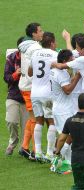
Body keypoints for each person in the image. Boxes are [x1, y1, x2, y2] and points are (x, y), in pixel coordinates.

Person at [28, 32, 58, 161]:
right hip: (48, 94)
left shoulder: (35, 54)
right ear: (51, 43)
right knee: (52, 122)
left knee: (39, 120)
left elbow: (29, 72)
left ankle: (38, 152)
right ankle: (50, 153)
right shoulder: (54, 55)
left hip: (35, 93)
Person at [50, 49, 81, 164]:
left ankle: (66, 159)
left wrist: (74, 77)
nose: (73, 60)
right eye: (71, 59)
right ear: (64, 60)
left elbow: (66, 84)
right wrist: (77, 76)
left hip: (60, 107)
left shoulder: (55, 70)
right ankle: (58, 158)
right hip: (63, 110)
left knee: (66, 134)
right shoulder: (61, 73)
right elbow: (67, 90)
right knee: (67, 135)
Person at [18, 22, 43, 158]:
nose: (42, 33)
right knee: (35, 119)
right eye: (40, 31)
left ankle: (25, 147)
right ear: (34, 34)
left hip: (25, 85)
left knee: (33, 117)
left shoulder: (26, 44)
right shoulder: (34, 47)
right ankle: (34, 151)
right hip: (30, 86)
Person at [4, 36, 28, 155]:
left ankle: (23, 148)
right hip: (14, 95)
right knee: (11, 121)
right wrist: (15, 74)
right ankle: (13, 141)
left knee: (26, 127)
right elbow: (6, 78)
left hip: (27, 96)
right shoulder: (11, 58)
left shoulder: (32, 58)